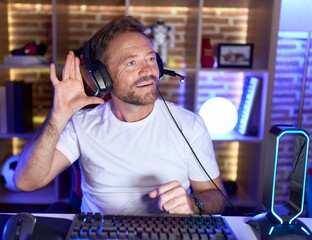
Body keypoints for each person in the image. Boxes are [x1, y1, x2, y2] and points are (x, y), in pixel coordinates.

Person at [13, 16, 226, 215]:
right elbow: (26, 181)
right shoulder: (82, 125)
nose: (148, 71)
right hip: (98, 234)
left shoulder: (189, 125)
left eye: (151, 59)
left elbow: (216, 196)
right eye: (131, 62)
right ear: (102, 78)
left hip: (167, 233)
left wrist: (192, 203)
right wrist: (58, 115)